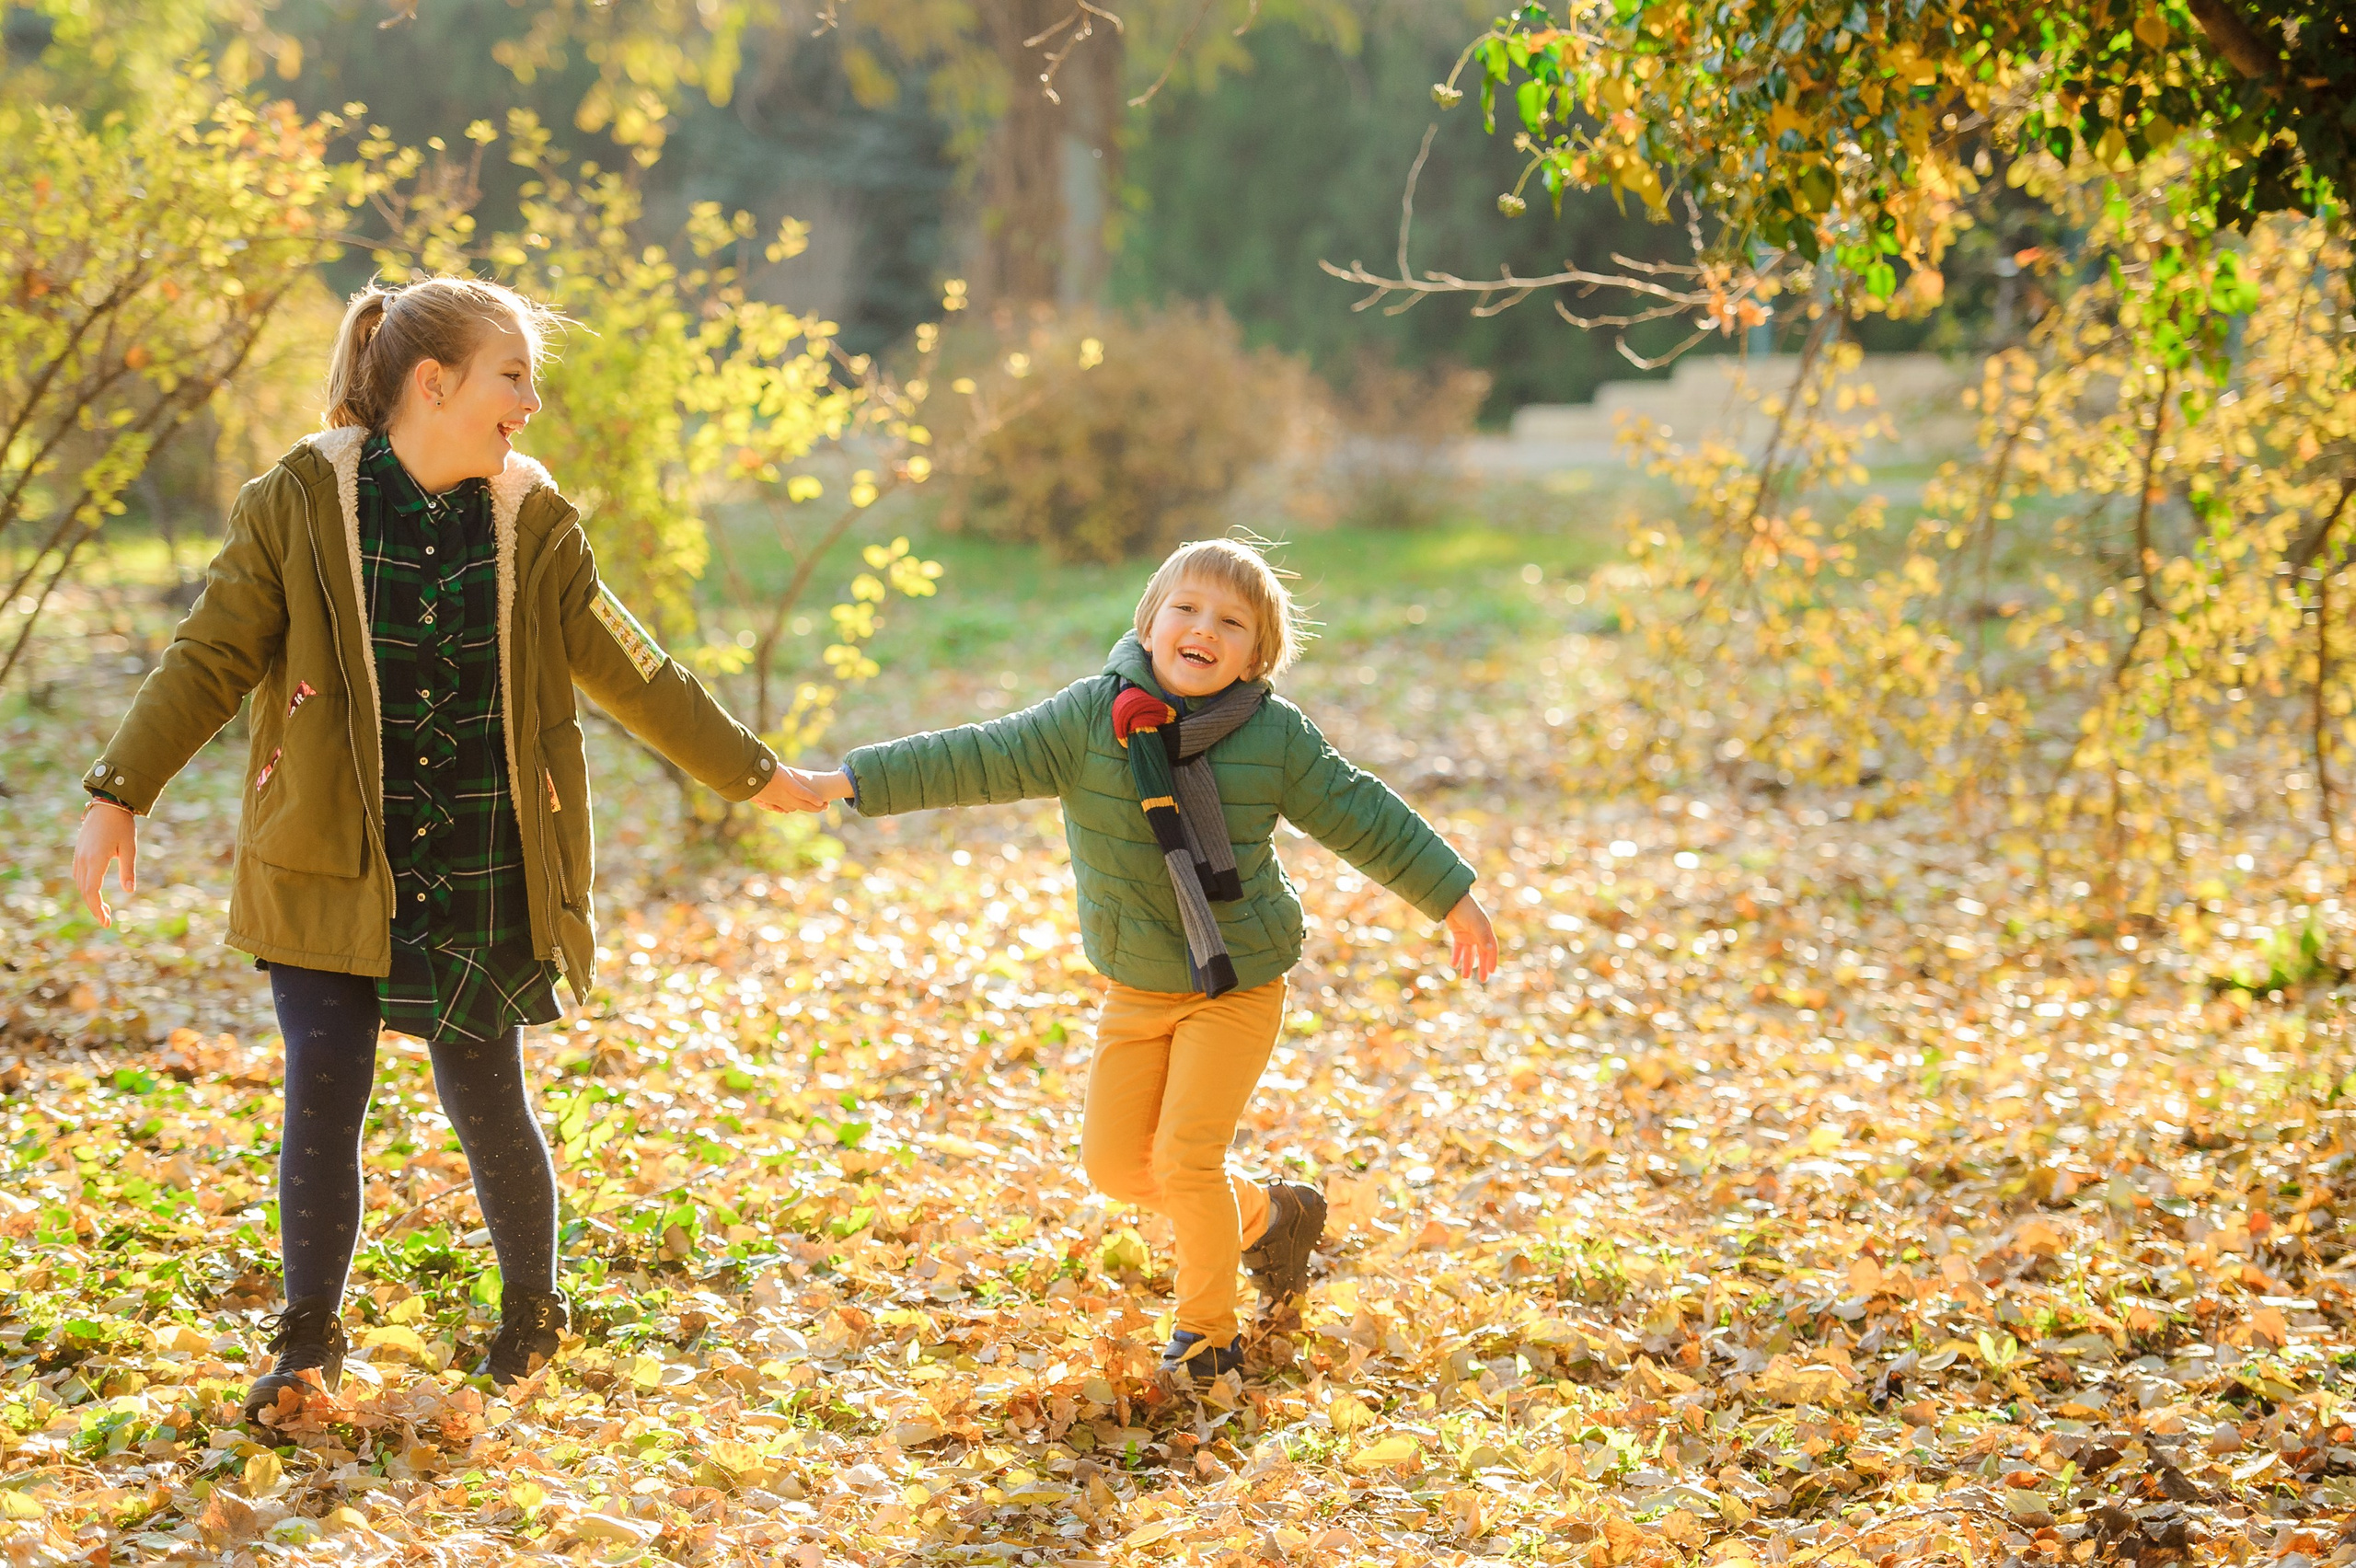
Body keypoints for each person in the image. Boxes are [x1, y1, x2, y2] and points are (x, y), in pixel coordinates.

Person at [68, 276, 807, 1422]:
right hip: (324, 855)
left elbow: (637, 670)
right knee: (325, 1083)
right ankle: (305, 1341)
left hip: (482, 857)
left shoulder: (532, 525)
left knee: (485, 1087)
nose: (529, 404)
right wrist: (121, 790)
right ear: (434, 382)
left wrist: (757, 776)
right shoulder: (300, 505)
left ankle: (531, 1317)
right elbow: (209, 655)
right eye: (513, 376)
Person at [778, 537, 1497, 1380]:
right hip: (1139, 978)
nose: (1204, 628)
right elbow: (972, 755)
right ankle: (1272, 1219)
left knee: (1187, 1162)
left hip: (1237, 978)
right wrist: (843, 782)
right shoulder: (1087, 721)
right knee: (1120, 1166)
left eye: (1231, 622)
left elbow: (1358, 811)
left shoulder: (1272, 736)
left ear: (1257, 654)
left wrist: (1450, 894)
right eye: (1186, 608)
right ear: (1149, 622)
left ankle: (1207, 1337)